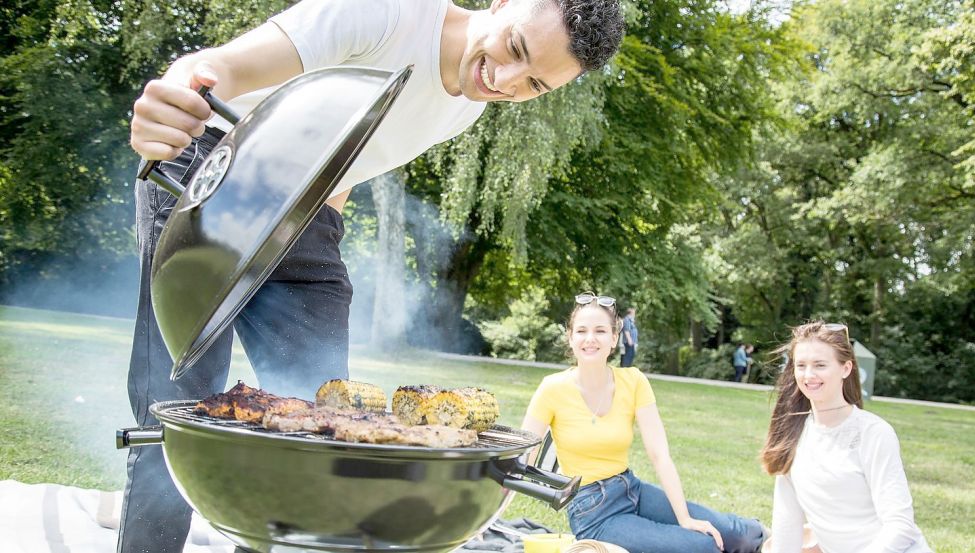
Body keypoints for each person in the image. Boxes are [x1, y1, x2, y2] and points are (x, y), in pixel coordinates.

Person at [120, 1, 626, 552]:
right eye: (515, 47)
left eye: (534, 84)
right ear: (502, 3)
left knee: (323, 418)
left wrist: (320, 244)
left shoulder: (469, 105)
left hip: (307, 212)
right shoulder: (387, 12)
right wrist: (172, 94)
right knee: (174, 403)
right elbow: (218, 68)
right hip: (208, 167)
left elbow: (342, 157)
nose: (503, 81)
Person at [521, 292, 766, 553]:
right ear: (570, 337)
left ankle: (777, 538)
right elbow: (521, 457)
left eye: (600, 331)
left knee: (734, 535)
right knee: (703, 546)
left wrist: (684, 518)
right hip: (594, 513)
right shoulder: (552, 388)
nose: (590, 339)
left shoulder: (633, 381)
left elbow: (659, 455)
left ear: (614, 338)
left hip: (631, 489)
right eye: (581, 331)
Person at [760, 322, 931, 553]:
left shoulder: (873, 433)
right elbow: (787, 527)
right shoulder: (791, 435)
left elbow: (900, 526)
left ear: (846, 368)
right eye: (801, 365)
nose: (809, 375)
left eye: (820, 365)